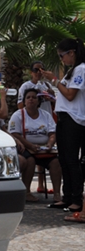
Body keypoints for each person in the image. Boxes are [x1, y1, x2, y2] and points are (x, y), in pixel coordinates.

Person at [41, 38, 85, 213]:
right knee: (65, 159)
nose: (61, 60)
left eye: (62, 56)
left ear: (71, 53)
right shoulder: (72, 71)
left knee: (72, 160)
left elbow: (70, 95)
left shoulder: (81, 69)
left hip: (74, 119)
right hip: (65, 117)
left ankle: (76, 198)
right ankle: (67, 197)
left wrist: (54, 79)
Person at [8, 88, 62, 204]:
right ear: (24, 101)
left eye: (34, 97)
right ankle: (27, 192)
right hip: (25, 148)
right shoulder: (18, 115)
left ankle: (57, 193)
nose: (31, 100)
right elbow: (14, 134)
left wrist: (50, 144)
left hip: (44, 149)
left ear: (38, 101)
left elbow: (53, 133)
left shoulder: (46, 115)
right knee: (30, 160)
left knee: (56, 162)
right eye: (28, 97)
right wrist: (30, 146)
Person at [18, 61, 57, 194]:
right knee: (33, 155)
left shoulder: (46, 85)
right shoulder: (26, 86)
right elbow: (20, 104)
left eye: (42, 69)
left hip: (45, 118)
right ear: (31, 72)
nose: (39, 72)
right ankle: (28, 189)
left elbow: (55, 103)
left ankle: (42, 185)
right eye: (36, 70)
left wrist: (50, 96)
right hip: (31, 121)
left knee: (46, 150)